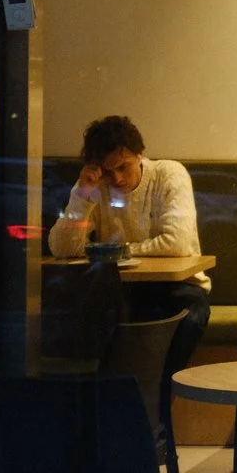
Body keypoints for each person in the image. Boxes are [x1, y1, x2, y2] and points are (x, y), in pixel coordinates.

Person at [47, 116, 210, 421]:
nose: (117, 179)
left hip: (177, 287)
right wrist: (82, 197)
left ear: (141, 154)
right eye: (109, 172)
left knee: (191, 316)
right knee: (88, 321)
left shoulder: (168, 175)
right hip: (118, 288)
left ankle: (153, 410)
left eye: (124, 167)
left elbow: (176, 243)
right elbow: (61, 247)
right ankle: (108, 420)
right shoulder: (95, 186)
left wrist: (114, 251)